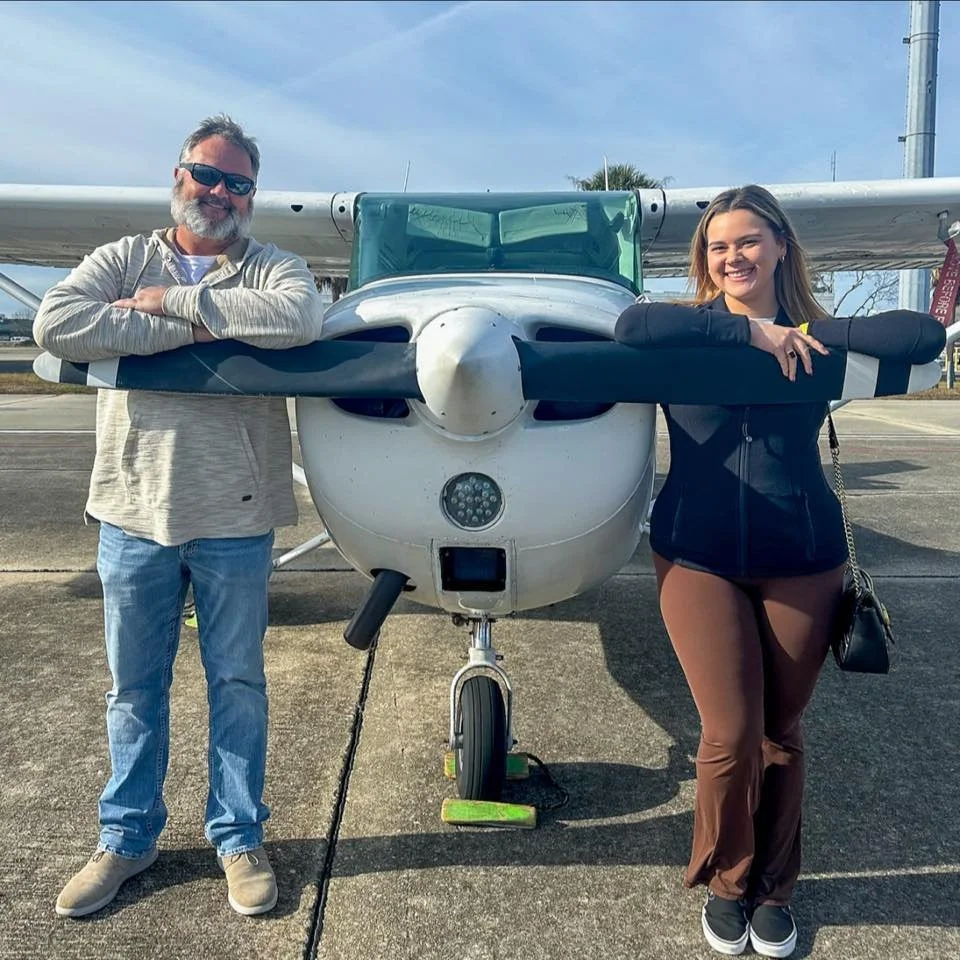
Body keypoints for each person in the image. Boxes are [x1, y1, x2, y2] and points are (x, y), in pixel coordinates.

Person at [614, 185, 944, 957]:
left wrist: (794, 331)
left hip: (803, 553)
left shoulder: (819, 339)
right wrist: (749, 337)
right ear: (704, 259)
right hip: (696, 553)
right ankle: (730, 883)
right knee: (730, 733)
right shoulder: (687, 336)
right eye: (718, 246)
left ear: (780, 247)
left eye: (749, 242)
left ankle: (776, 890)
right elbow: (633, 321)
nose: (733, 256)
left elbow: (920, 330)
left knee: (781, 734)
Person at [33, 115, 325, 919]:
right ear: (179, 176)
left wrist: (176, 307)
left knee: (237, 681)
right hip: (131, 511)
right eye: (209, 175)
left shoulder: (276, 265)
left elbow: (299, 320)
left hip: (236, 513)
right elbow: (57, 324)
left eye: (239, 183)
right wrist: (198, 322)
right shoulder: (123, 257)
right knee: (135, 688)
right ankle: (126, 838)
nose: (221, 193)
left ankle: (238, 835)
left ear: (251, 196)